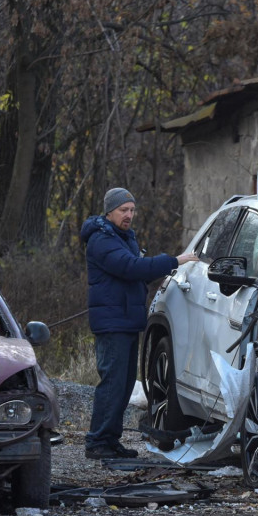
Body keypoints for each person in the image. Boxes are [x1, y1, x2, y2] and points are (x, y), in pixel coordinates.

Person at [80, 187, 198, 460]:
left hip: (126, 320)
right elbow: (131, 268)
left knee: (122, 385)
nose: (129, 215)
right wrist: (174, 261)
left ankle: (110, 440)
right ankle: (98, 442)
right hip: (112, 323)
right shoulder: (102, 240)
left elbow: (134, 272)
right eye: (124, 210)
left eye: (132, 210)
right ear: (109, 211)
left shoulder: (122, 238)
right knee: (113, 383)